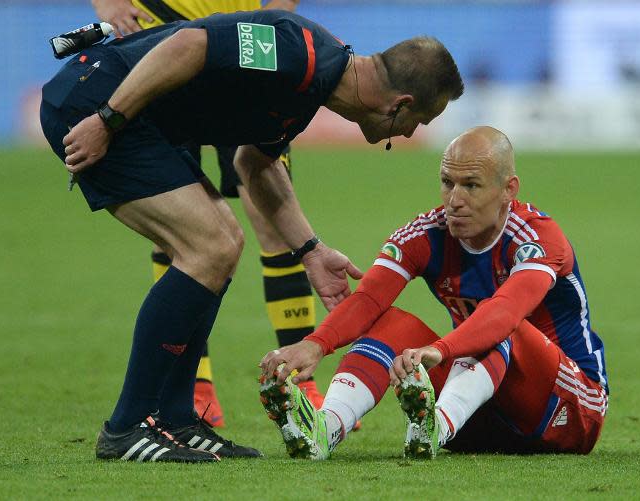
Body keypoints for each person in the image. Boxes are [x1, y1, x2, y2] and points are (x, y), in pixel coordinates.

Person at [40, 9, 464, 463]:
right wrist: (107, 119)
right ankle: (127, 426)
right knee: (210, 245)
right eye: (420, 119)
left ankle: (176, 416)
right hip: (97, 107)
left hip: (134, 122)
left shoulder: (315, 86)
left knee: (224, 242)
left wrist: (311, 250)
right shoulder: (298, 56)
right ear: (399, 104)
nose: (411, 132)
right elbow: (190, 45)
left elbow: (254, 165)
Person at [259, 126, 608, 460]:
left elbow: (504, 311)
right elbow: (368, 299)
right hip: (476, 409)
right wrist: (316, 344)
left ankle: (435, 426)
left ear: (508, 190)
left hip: (568, 411)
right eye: (447, 183)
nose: (455, 200)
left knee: (499, 324)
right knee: (389, 319)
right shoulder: (426, 234)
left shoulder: (537, 237)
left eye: (471, 185)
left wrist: (439, 350)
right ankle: (327, 428)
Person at [90, 0, 322, 429]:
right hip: (162, 38)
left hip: (243, 44)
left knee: (273, 218)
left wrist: (275, 21)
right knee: (179, 228)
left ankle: (301, 382)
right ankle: (195, 384)